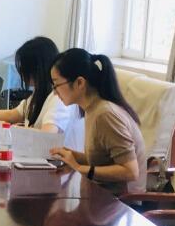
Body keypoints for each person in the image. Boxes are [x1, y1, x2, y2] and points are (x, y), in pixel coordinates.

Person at [0, 36, 84, 151]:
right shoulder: (40, 93)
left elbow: (47, 134)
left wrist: (4, 128)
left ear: (36, 69)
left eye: (24, 68)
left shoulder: (58, 98)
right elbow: (12, 114)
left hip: (55, 167)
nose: (21, 74)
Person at [47, 48, 146, 196]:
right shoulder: (92, 109)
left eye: (56, 85)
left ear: (79, 83)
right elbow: (101, 160)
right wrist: (70, 155)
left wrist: (79, 167)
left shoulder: (105, 115)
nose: (55, 92)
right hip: (102, 195)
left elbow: (131, 171)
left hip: (122, 203)